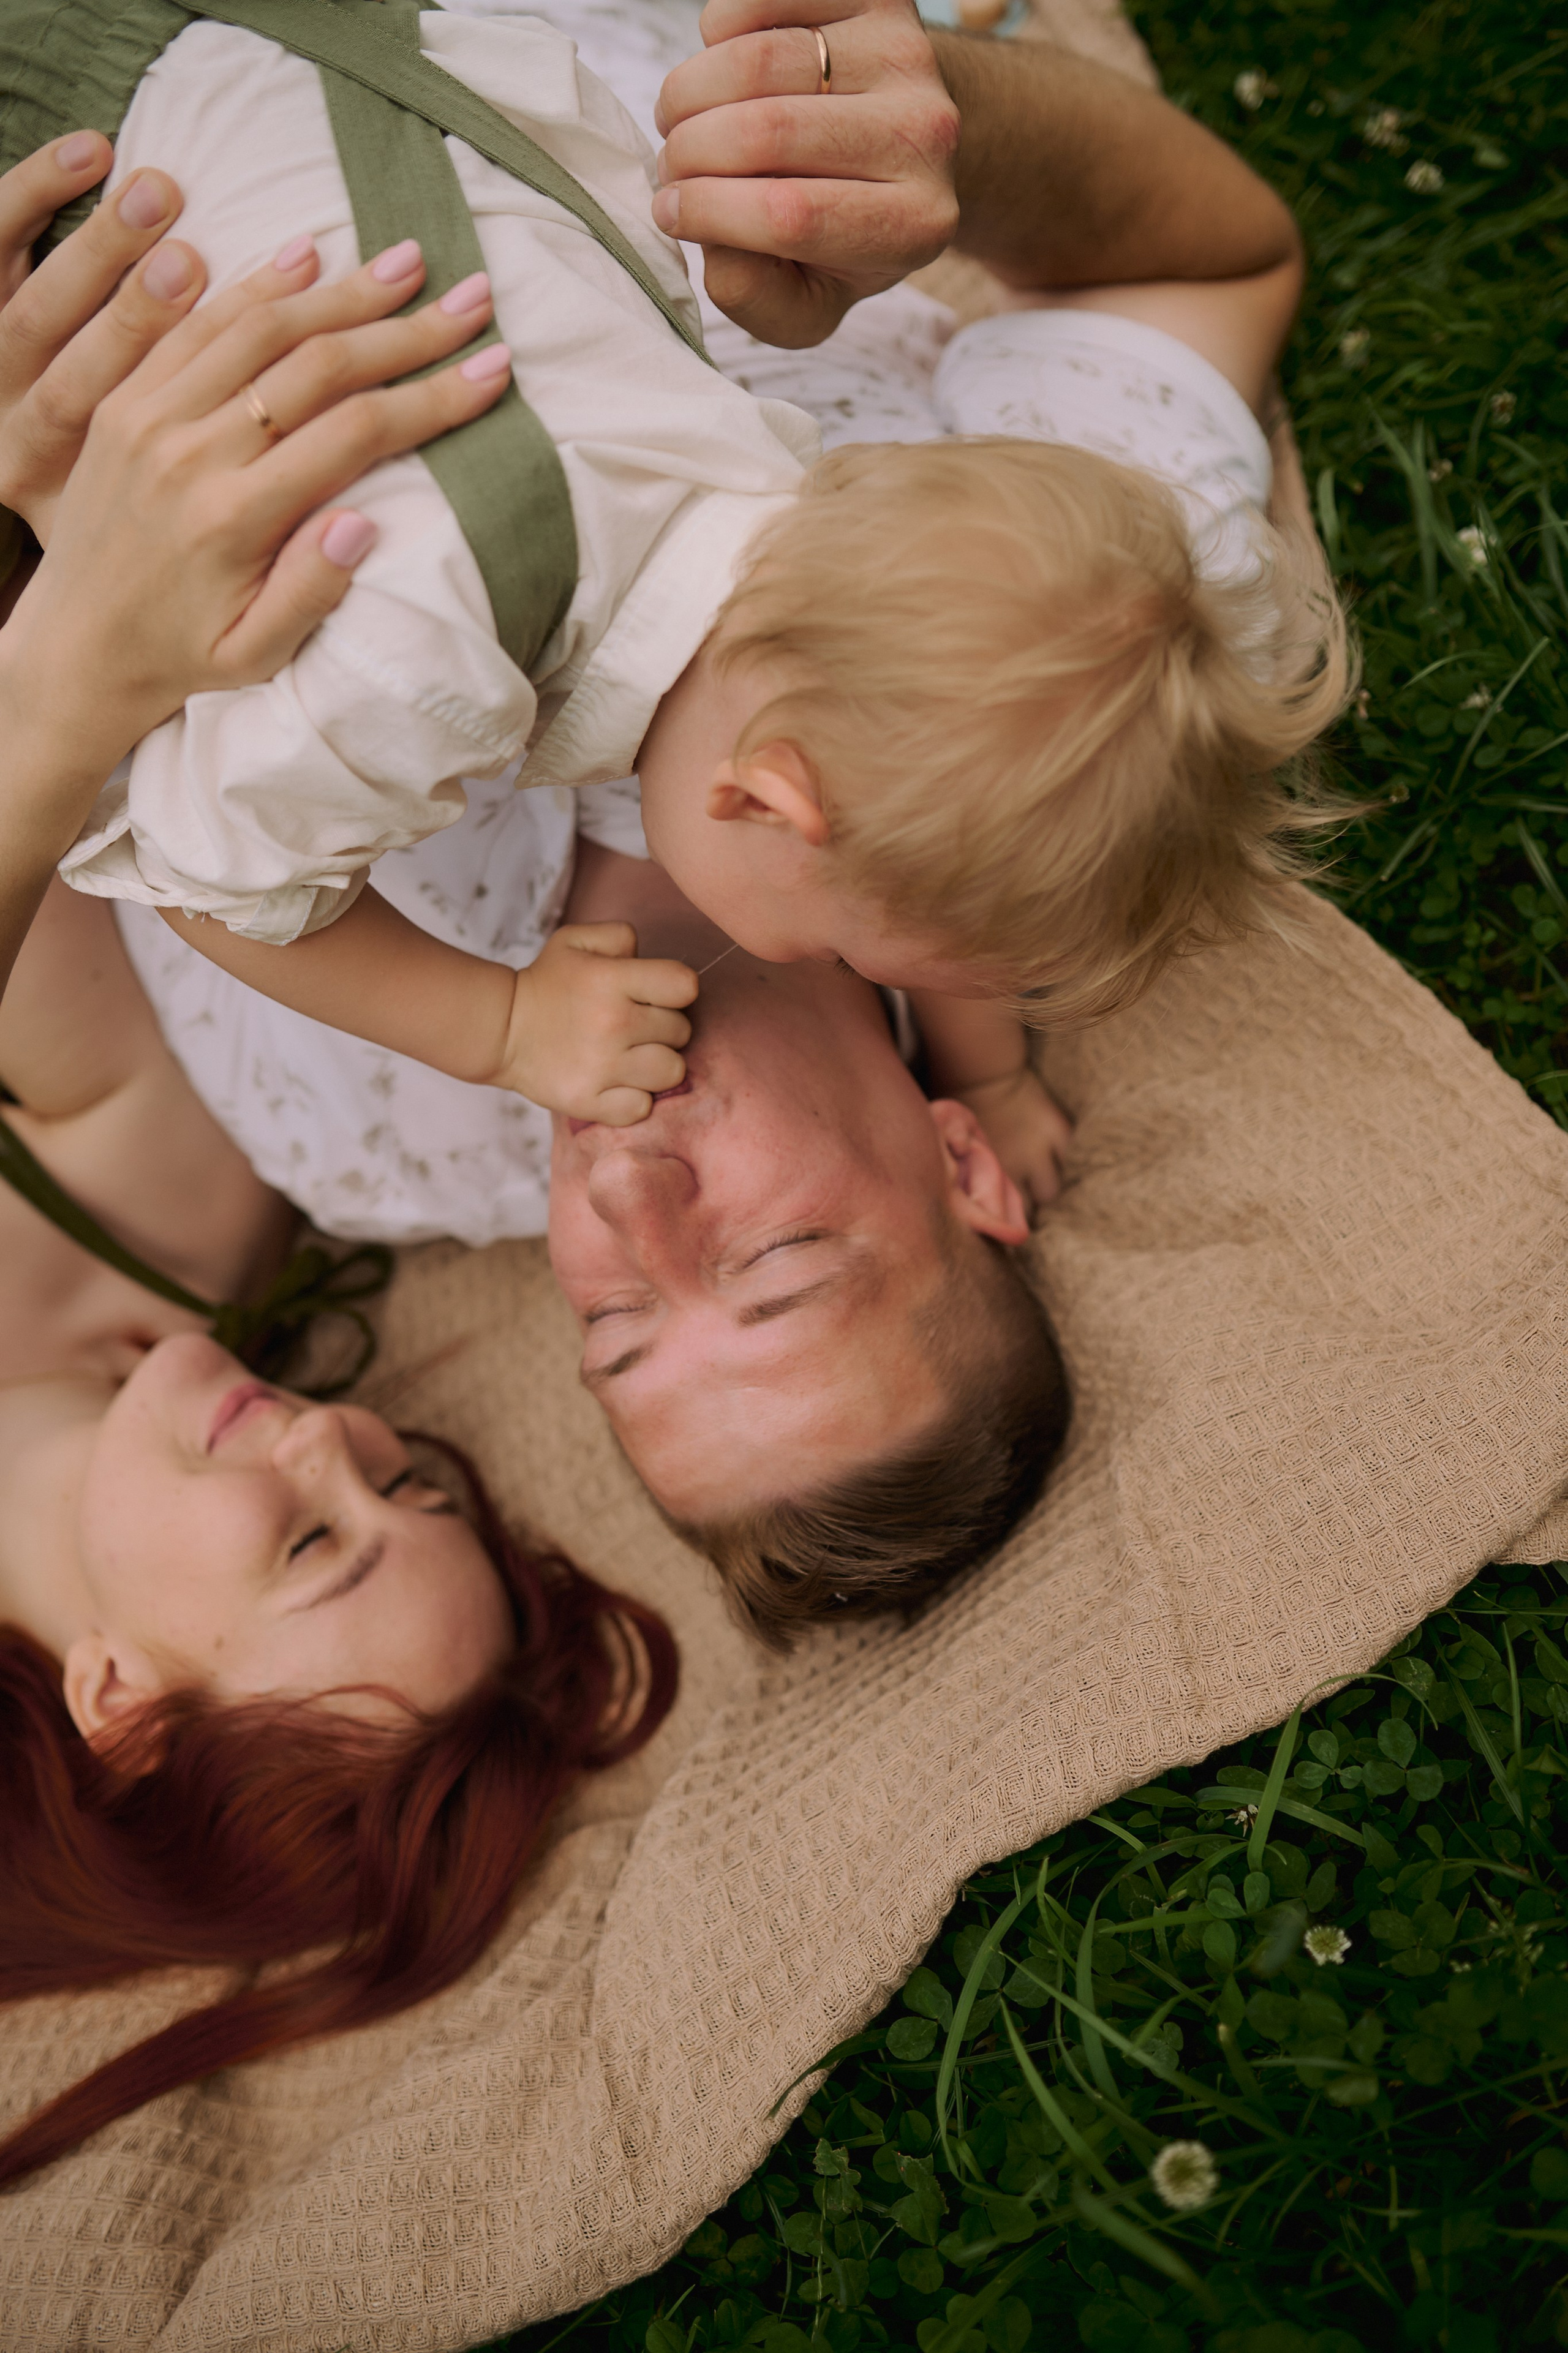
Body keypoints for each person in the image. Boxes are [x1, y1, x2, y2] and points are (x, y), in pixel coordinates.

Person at [0, 0, 1313, 1630]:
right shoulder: (1085, 645)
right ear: (958, 1163)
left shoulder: (376, 1132)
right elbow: (1221, 262)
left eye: (612, 1321)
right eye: (769, 1261)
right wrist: (940, 114)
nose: (627, 1204)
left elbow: (141, 801)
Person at [0, 242, 677, 2194]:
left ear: (121, 1699)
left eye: (308, 1534)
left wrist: (74, 654)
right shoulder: (195, 1227)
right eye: (406, 1480)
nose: (329, 1429)